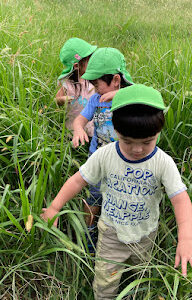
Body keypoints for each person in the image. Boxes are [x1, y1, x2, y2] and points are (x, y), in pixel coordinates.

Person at [41, 84, 192, 299]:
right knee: (105, 283)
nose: (137, 149)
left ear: (158, 132)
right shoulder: (105, 155)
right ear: (115, 130)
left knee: (141, 278)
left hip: (145, 235)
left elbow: (180, 199)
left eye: (147, 141)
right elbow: (78, 180)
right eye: (127, 141)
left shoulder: (163, 163)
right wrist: (55, 206)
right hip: (111, 234)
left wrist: (185, 239)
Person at [72, 47, 133, 251]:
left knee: (120, 205)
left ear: (116, 80)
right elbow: (79, 120)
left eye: (97, 84)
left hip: (124, 167)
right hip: (97, 162)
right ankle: (89, 241)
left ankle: (119, 244)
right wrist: (78, 129)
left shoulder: (132, 97)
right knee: (93, 199)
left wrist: (120, 94)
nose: (94, 88)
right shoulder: (95, 100)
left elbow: (150, 96)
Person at [55, 37, 97, 136]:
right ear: (76, 66)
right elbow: (56, 99)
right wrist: (63, 99)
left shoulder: (92, 78)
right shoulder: (66, 83)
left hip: (90, 123)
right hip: (72, 124)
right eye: (88, 61)